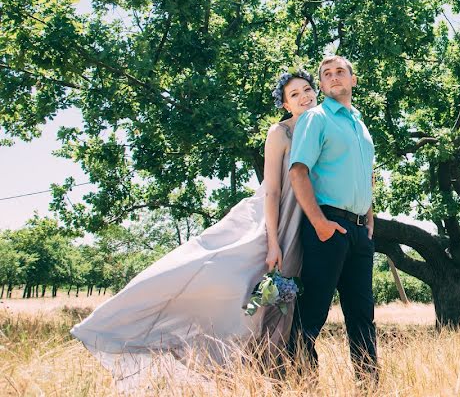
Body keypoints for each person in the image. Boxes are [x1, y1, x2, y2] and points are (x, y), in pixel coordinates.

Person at [70, 70, 318, 391]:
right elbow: (271, 189)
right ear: (285, 104)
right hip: (269, 221)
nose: (304, 96)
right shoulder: (280, 133)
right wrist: (272, 241)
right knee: (233, 280)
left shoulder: (324, 129)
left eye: (307, 89)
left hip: (301, 224)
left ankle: (268, 374)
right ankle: (164, 334)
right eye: (295, 94)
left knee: (279, 298)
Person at [288, 55, 378, 381]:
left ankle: (370, 387)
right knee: (311, 314)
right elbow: (298, 172)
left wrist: (369, 219)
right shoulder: (317, 118)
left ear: (353, 80)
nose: (334, 77)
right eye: (327, 74)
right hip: (328, 226)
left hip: (359, 233)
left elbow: (366, 177)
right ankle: (301, 385)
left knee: (362, 317)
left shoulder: (361, 126)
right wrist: (320, 224)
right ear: (322, 85)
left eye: (341, 72)